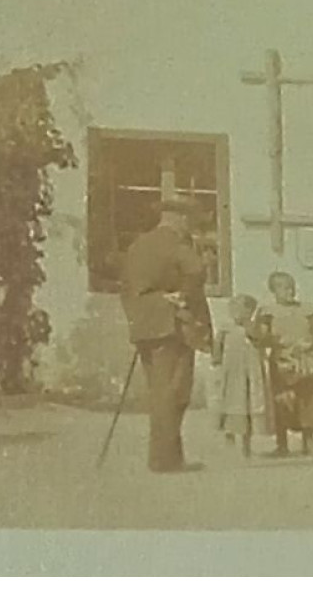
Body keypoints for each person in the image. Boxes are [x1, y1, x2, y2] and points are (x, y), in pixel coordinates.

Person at [118, 197, 213, 473]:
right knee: (174, 392)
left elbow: (127, 286)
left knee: (160, 391)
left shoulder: (138, 245)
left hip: (145, 326)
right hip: (171, 325)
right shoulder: (175, 243)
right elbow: (197, 270)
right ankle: (165, 460)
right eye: (188, 219)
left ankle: (166, 457)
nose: (189, 225)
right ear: (178, 219)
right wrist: (182, 295)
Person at [257, 271, 313, 457]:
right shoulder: (267, 312)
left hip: (305, 360)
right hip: (281, 361)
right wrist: (272, 341)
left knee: (308, 400)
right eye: (282, 287)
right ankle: (282, 443)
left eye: (291, 286)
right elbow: (261, 336)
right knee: (282, 401)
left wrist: (311, 345)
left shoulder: (308, 310)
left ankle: (308, 440)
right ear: (273, 290)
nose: (289, 291)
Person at [211, 293, 271, 458]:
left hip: (250, 372)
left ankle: (246, 444)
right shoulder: (226, 327)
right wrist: (216, 358)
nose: (238, 314)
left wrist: (249, 325)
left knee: (248, 404)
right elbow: (218, 344)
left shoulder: (252, 327)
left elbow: (259, 339)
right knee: (230, 401)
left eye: (245, 311)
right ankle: (229, 433)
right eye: (235, 310)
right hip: (232, 371)